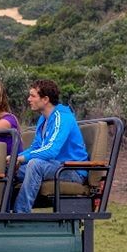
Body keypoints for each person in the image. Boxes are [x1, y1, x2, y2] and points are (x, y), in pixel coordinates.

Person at [12, 78, 86, 213]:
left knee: (35, 165)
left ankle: (20, 214)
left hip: (71, 171)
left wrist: (22, 159)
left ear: (45, 99)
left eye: (33, 96)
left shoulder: (62, 117)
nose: (29, 99)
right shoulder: (43, 119)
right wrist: (14, 159)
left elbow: (51, 150)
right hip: (53, 166)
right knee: (10, 168)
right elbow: (36, 147)